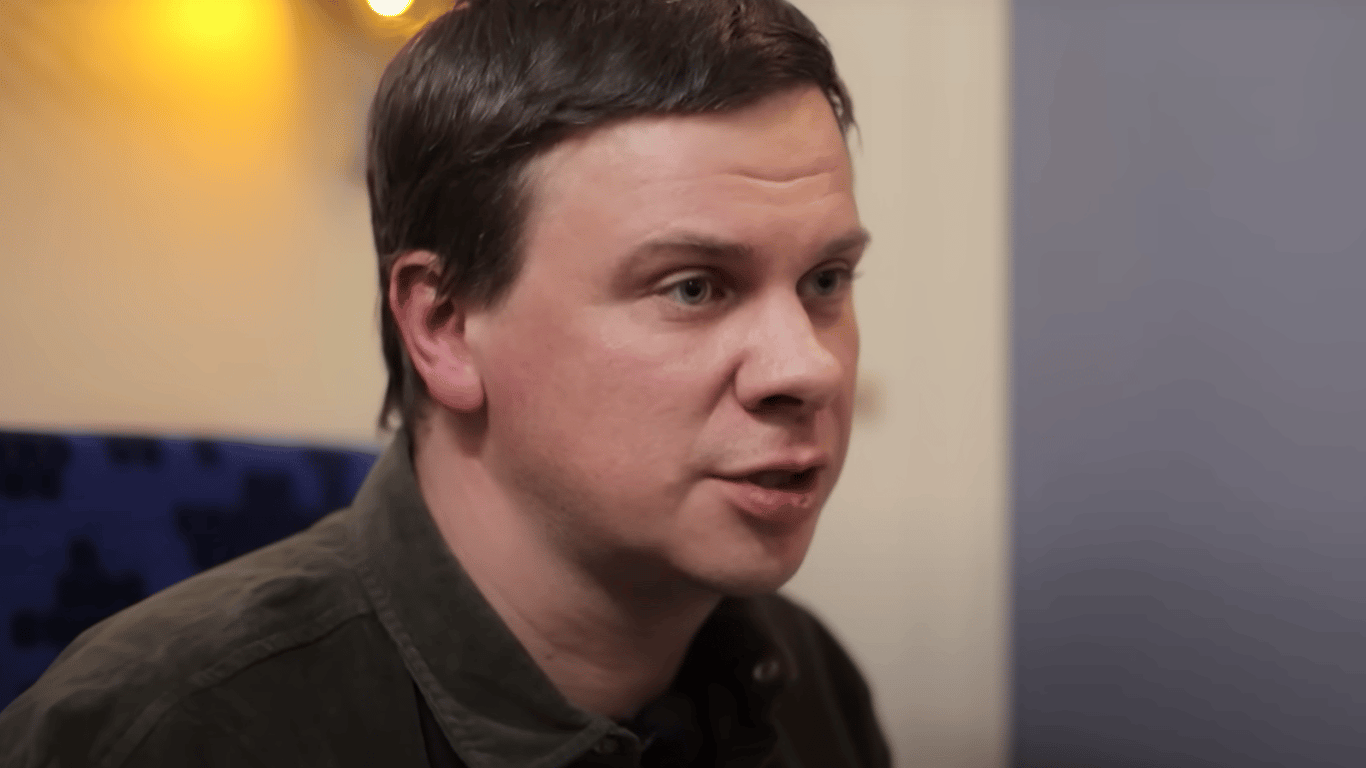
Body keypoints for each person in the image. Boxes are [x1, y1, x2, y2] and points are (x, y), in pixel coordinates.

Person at [0, 0, 890, 765]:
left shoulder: (805, 679)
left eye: (825, 280)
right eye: (692, 288)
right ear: (445, 327)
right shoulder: (160, 736)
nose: (807, 367)